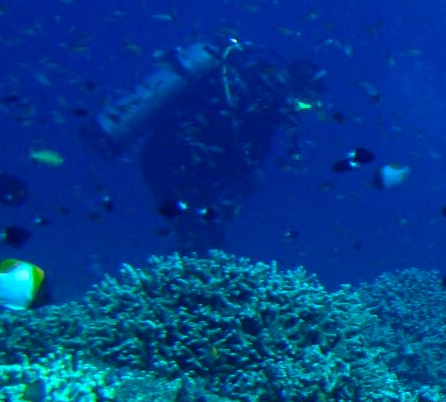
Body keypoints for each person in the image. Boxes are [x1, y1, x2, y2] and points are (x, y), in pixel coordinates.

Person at [83, 38, 320, 251]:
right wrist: (248, 172)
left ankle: (181, 276)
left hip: (162, 157)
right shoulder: (266, 98)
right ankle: (183, 286)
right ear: (299, 89)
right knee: (201, 237)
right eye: (307, 104)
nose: (302, 110)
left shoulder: (246, 79)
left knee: (194, 230)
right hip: (182, 164)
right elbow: (235, 142)